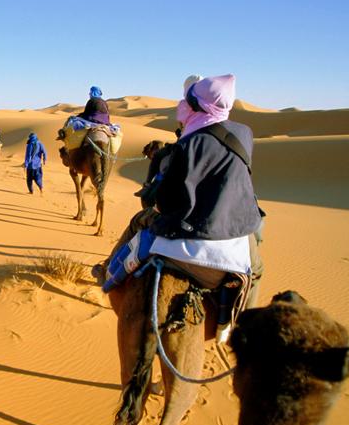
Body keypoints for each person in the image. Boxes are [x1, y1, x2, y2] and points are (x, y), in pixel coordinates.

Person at [96, 74, 264, 305]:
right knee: (255, 269)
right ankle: (241, 319)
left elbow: (164, 202)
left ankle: (108, 272)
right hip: (237, 224)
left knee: (139, 220)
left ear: (195, 106)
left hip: (191, 229)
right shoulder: (245, 134)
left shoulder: (186, 145)